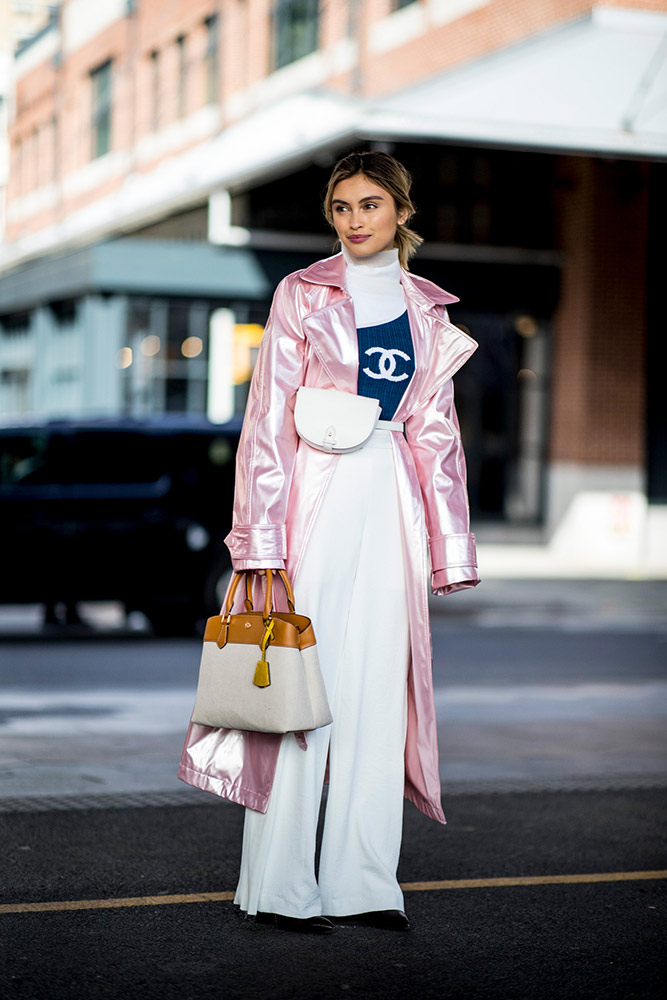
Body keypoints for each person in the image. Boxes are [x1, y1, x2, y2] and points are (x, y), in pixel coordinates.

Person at [179, 150, 480, 933]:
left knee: (379, 694)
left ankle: (364, 884)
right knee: (300, 691)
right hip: (314, 494)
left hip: (391, 501)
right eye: (341, 206)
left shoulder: (428, 312)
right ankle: (279, 889)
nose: (353, 220)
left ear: (401, 213)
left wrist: (449, 547)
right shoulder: (301, 294)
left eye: (369, 205)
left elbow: (437, 436)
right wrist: (261, 545)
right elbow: (267, 423)